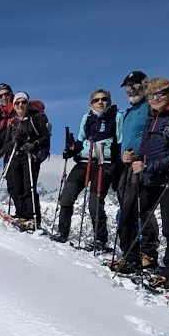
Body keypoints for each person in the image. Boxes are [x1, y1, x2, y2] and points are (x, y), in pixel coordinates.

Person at [119, 76, 169, 289]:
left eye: (160, 93)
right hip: (152, 177)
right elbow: (146, 145)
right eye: (151, 95)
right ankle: (134, 258)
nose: (155, 98)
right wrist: (135, 157)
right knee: (134, 214)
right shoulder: (154, 116)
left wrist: (148, 166)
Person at [53, 89, 118, 247]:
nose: (100, 102)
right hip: (84, 161)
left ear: (109, 101)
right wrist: (72, 149)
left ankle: (101, 240)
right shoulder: (87, 118)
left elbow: (120, 140)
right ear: (91, 104)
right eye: (96, 100)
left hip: (105, 162)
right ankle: (62, 232)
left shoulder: (116, 117)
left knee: (95, 204)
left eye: (104, 99)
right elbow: (81, 140)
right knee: (67, 196)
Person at [111, 71, 156, 271]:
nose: (131, 90)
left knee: (142, 210)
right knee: (126, 210)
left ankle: (147, 254)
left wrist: (142, 156)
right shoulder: (130, 111)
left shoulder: (150, 108)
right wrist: (123, 157)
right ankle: (130, 253)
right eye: (128, 87)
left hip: (144, 165)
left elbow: (154, 136)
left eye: (135, 86)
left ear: (145, 85)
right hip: (127, 166)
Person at [3, 91, 49, 229]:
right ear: (14, 105)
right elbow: (6, 145)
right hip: (17, 157)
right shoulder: (13, 122)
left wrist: (34, 144)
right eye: (17, 102)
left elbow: (45, 136)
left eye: (23, 102)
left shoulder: (35, 118)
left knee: (29, 187)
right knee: (18, 187)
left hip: (30, 157)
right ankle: (22, 214)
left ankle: (32, 217)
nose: (20, 105)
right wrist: (13, 140)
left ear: (27, 104)